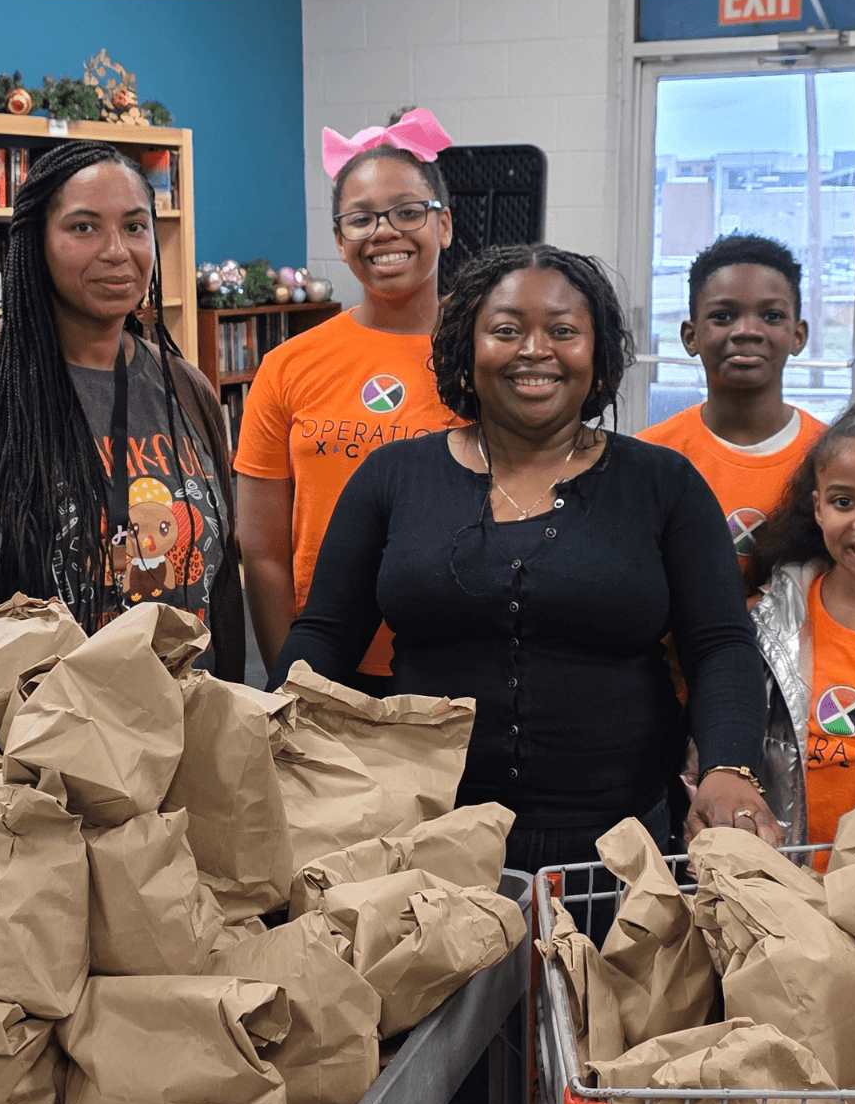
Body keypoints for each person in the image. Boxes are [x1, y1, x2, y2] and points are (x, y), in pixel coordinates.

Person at [268, 241, 773, 867]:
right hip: (427, 831)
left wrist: (729, 764)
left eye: (563, 330)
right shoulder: (393, 477)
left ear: (599, 352)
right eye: (506, 330)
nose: (535, 350)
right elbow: (326, 633)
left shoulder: (663, 483)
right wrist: (271, 732)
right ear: (465, 347)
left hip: (620, 840)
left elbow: (720, 641)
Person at [0, 138, 246, 681]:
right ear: (35, 243)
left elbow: (223, 586)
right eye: (83, 227)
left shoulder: (184, 387)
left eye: (135, 227)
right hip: (18, 748)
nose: (117, 250)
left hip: (180, 730)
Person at [235, 106, 460, 687]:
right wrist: (295, 678)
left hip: (456, 661)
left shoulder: (485, 361)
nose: (384, 231)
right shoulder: (287, 366)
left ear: (444, 225)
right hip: (327, 662)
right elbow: (262, 551)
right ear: (339, 239)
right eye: (360, 219)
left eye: (408, 212)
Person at [689, 399, 855, 871]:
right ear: (818, 509)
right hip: (780, 898)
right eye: (844, 501)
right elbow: (710, 758)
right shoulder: (762, 626)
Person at [639, 234, 825, 563]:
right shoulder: (649, 459)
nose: (747, 331)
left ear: (798, 336)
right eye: (723, 316)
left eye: (772, 316)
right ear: (690, 336)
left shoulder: (831, 456)